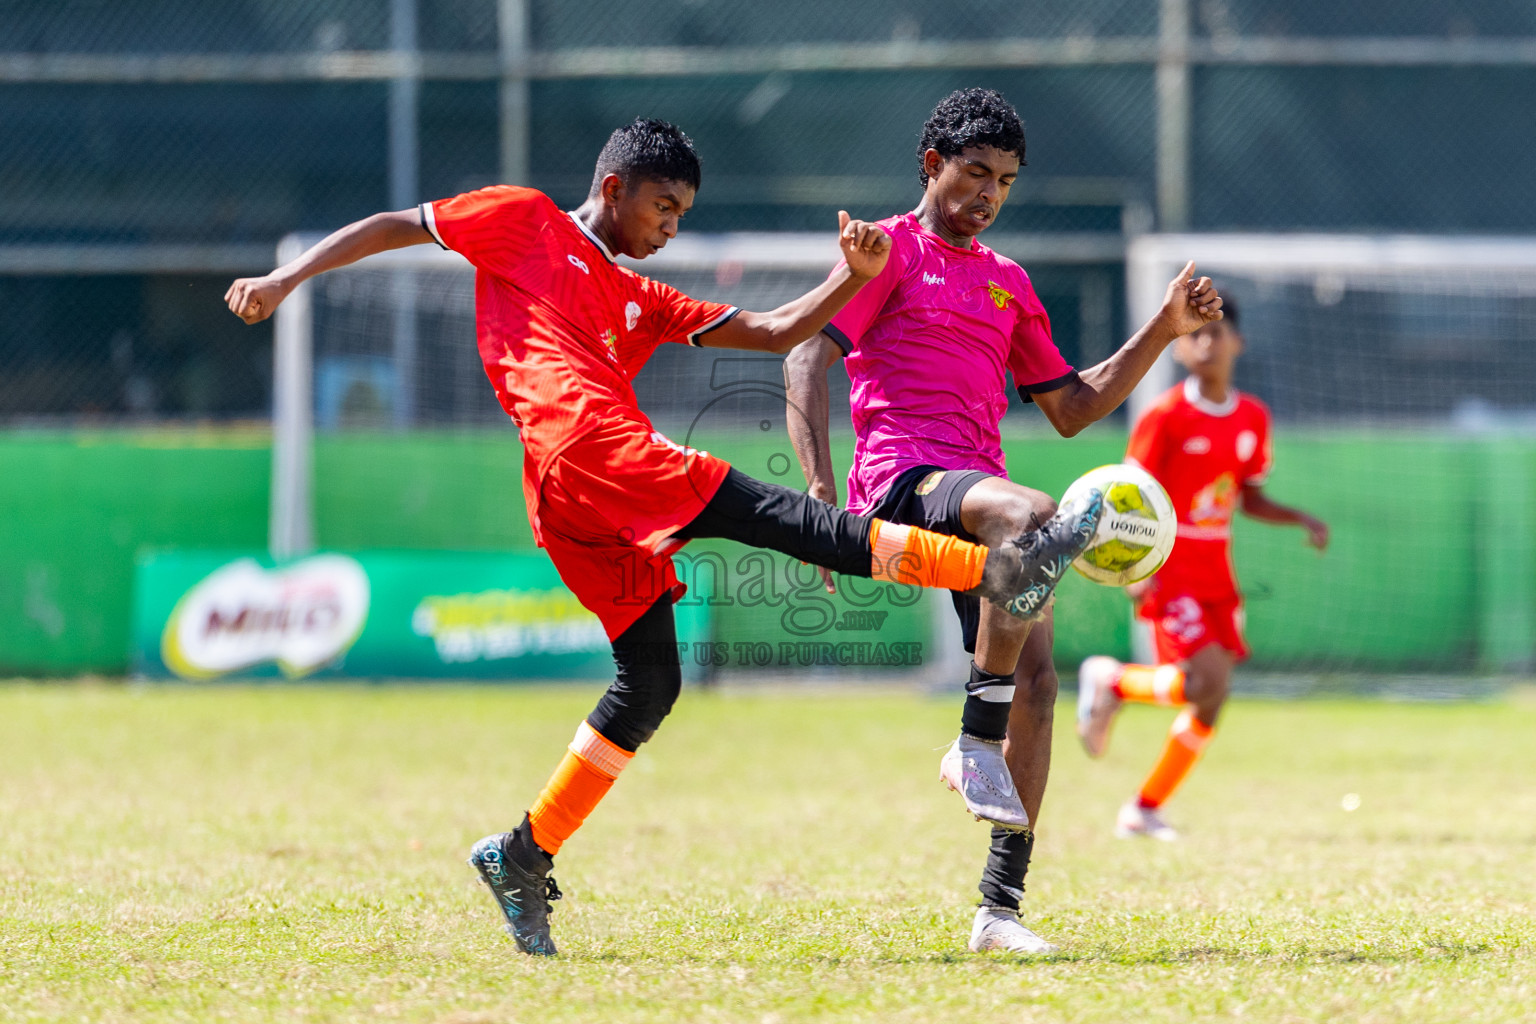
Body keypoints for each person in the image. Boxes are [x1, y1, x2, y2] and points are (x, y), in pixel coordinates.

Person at [225, 117, 1105, 957]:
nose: (671, 229)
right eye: (662, 209)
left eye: (682, 215)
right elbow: (392, 226)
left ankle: (522, 855)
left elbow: (770, 333)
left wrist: (849, 275)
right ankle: (1001, 567)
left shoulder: (637, 292)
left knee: (650, 680)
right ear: (614, 187)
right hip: (594, 448)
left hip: (569, 500)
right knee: (788, 521)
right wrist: (285, 280)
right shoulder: (522, 219)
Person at [783, 88, 1225, 954]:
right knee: (1037, 511)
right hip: (902, 483)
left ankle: (999, 911)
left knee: (1041, 684)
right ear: (931, 166)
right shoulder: (888, 253)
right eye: (974, 172)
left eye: (1005, 181)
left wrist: (1165, 329)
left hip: (979, 503)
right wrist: (819, 498)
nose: (988, 193)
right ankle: (972, 739)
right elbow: (805, 358)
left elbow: (1072, 406)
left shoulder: (1008, 282)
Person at [1076, 303, 1328, 839]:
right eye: (1196, 335)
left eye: (1218, 333)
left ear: (1238, 342)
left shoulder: (1252, 417)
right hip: (1172, 565)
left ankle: (1143, 804)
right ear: (1181, 347)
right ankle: (1111, 682)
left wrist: (1299, 518)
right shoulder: (1164, 416)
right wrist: (1136, 569)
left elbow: (1248, 497)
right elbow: (1128, 497)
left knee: (1212, 698)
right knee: (1205, 681)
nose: (1207, 343)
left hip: (1218, 567)